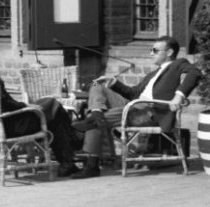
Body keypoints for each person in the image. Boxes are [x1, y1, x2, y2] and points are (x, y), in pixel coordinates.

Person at [77, 35, 202, 178]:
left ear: (169, 52)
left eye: (155, 50)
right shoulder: (153, 74)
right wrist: (113, 82)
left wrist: (179, 96)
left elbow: (195, 73)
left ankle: (91, 163)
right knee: (96, 84)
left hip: (149, 111)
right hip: (134, 105)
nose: (151, 53)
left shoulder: (179, 64)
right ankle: (96, 113)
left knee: (93, 122)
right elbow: (132, 93)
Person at [0, 43, 81, 177]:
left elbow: (1, 104)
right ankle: (72, 146)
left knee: (52, 111)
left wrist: (26, 105)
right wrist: (26, 106)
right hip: (11, 126)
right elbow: (6, 104)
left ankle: (68, 157)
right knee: (53, 106)